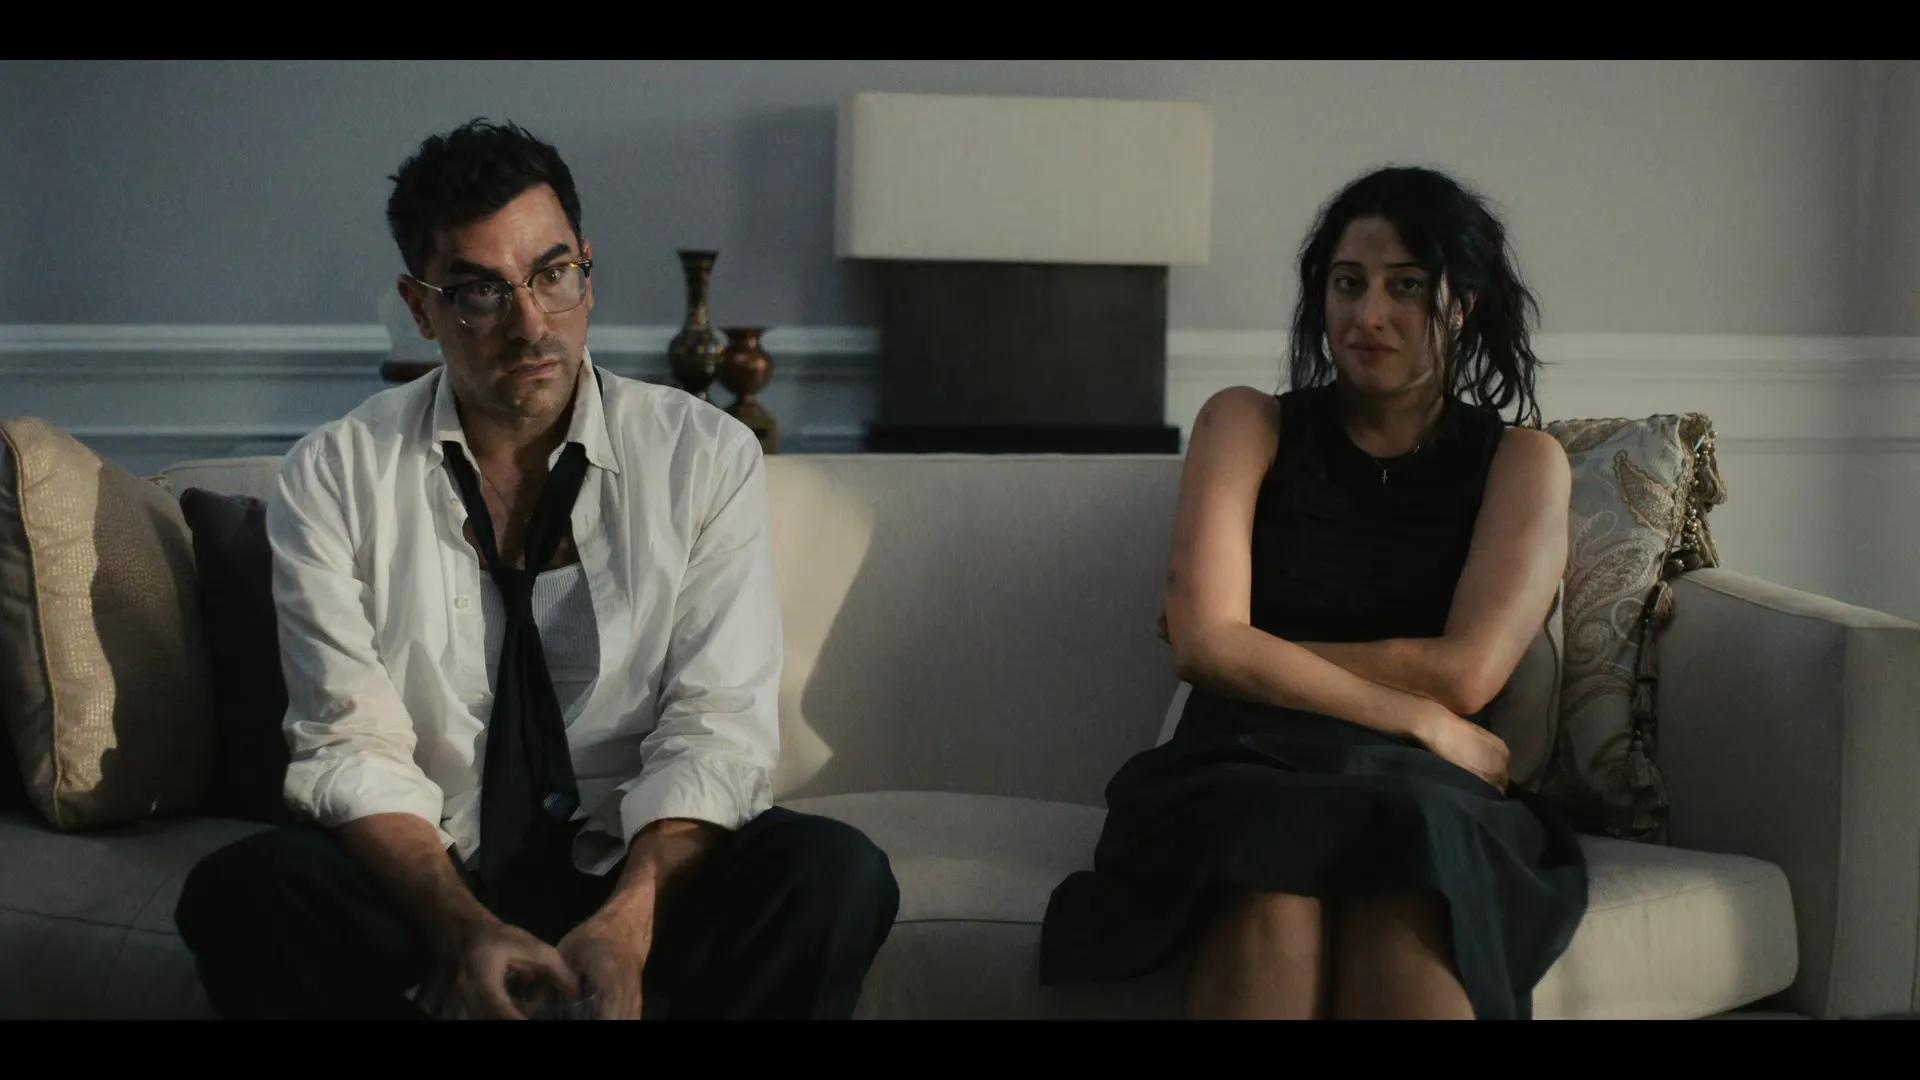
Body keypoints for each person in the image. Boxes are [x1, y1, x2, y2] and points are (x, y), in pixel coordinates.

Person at [174, 119, 898, 1020]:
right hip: (442, 859)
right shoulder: (335, 473)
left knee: (835, 873)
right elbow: (351, 746)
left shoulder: (704, 456)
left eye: (553, 275)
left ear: (587, 269)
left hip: (634, 854)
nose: (530, 325)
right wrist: (464, 930)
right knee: (243, 891)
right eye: (481, 291)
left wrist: (629, 925)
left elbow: (715, 730)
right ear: (420, 307)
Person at [1038, 166, 1588, 1020]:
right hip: (1247, 759)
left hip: (1425, 783)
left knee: (1409, 868)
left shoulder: (1523, 462)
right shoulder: (1245, 423)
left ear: (1462, 305)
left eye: (1407, 286)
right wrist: (1417, 716)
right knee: (1269, 867)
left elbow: (1466, 673)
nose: (1368, 315)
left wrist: (1247, 649)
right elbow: (1205, 648)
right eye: (1348, 283)